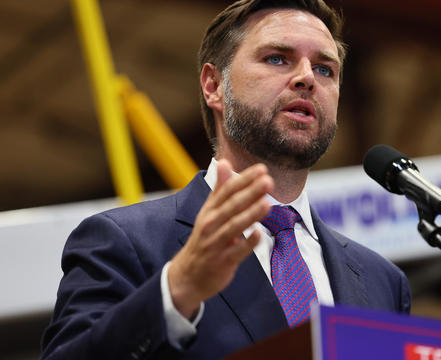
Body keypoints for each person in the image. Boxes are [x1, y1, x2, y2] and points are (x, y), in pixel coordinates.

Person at [41, 0, 410, 359]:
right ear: (214, 86)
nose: (306, 78)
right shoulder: (125, 241)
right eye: (277, 58)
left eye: (325, 69)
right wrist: (178, 289)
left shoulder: (383, 282)